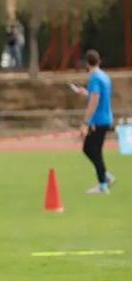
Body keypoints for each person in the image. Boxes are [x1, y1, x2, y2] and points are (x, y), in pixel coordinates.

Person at [71, 49, 116, 194]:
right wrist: (83, 92)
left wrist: (85, 122)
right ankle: (104, 177)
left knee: (92, 150)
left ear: (87, 63)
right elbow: (97, 95)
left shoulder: (95, 78)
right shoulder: (105, 77)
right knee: (92, 150)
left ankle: (103, 184)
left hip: (98, 120)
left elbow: (95, 100)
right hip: (106, 118)